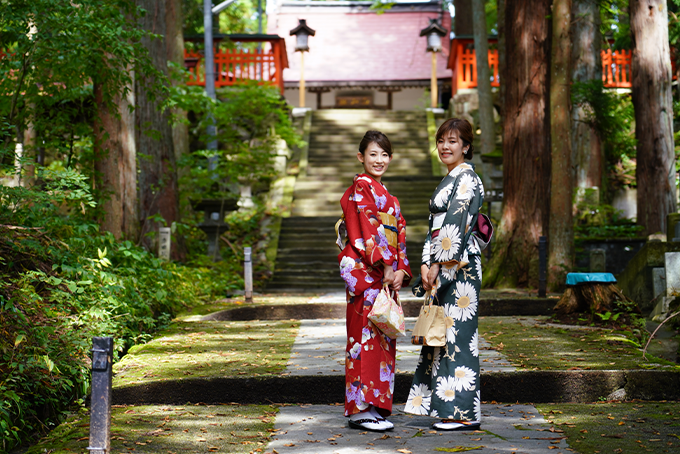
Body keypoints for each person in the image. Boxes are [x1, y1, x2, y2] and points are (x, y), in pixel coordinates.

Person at [404, 118, 485, 431]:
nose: (445, 147)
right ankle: (449, 408)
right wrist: (426, 262)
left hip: (460, 267)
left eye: (453, 141)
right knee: (442, 336)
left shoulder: (467, 178)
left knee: (459, 338)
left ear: (466, 147)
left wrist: (438, 264)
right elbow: (435, 227)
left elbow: (456, 224)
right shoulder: (451, 178)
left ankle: (463, 413)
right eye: (441, 141)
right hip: (444, 262)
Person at [336, 130, 412, 432]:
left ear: (390, 158)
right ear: (361, 157)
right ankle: (358, 409)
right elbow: (367, 230)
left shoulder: (388, 195)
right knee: (362, 340)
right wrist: (385, 265)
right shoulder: (361, 188)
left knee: (382, 338)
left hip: (385, 276)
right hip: (367, 274)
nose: (379, 160)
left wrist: (401, 269)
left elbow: (399, 234)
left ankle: (376, 406)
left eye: (384, 155)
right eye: (373, 154)